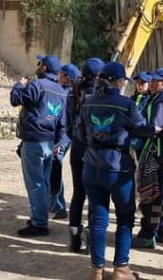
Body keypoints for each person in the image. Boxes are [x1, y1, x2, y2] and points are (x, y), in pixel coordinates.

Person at [80, 61, 153, 280]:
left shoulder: (87, 102)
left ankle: (97, 271)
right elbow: (142, 128)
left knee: (98, 219)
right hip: (118, 168)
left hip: (91, 166)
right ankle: (121, 269)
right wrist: (154, 130)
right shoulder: (125, 104)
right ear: (118, 81)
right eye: (123, 80)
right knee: (124, 218)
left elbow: (80, 133)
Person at [10, 54, 68, 237]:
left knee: (35, 183)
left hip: (34, 142)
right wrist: (58, 142)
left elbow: (15, 99)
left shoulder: (37, 85)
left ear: (44, 68)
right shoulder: (61, 91)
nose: (38, 65)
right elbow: (63, 122)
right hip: (49, 143)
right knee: (43, 182)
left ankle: (39, 223)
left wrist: (19, 84)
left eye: (40, 63)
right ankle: (40, 216)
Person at [132, 68, 163, 249]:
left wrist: (133, 127)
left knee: (151, 193)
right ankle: (157, 231)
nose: (151, 83)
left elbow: (155, 127)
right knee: (155, 191)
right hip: (154, 151)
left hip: (156, 153)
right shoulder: (156, 98)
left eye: (155, 81)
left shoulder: (162, 100)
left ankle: (148, 233)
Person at [67, 57, 105, 253]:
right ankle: (91, 241)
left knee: (78, 195)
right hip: (93, 150)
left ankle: (75, 240)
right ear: (99, 76)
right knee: (94, 196)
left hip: (77, 148)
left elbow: (67, 124)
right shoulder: (100, 96)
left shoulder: (72, 92)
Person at [48, 63, 81, 220]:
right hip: (63, 137)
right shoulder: (67, 92)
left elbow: (64, 120)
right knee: (53, 168)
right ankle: (54, 202)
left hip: (63, 138)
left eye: (61, 75)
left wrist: (59, 143)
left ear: (67, 78)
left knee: (55, 167)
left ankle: (59, 206)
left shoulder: (67, 94)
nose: (58, 77)